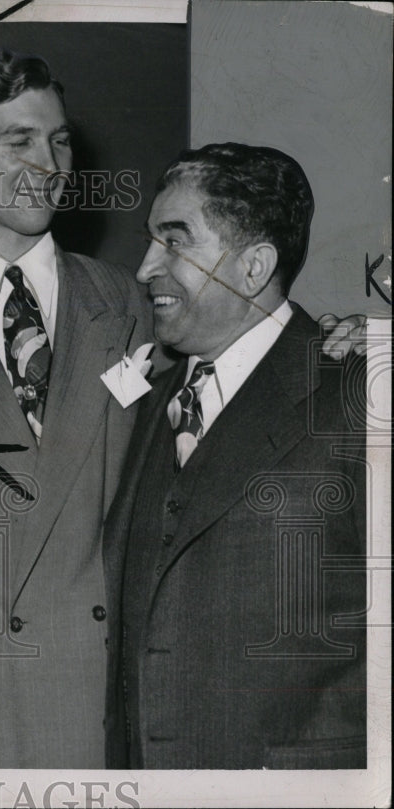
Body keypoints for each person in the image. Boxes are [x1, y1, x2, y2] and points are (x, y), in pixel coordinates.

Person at [0, 48, 367, 770]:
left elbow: (252, 349)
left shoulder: (140, 305)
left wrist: (351, 337)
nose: (48, 163)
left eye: (58, 141)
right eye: (17, 140)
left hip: (114, 718)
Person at [102, 142, 366, 769]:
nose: (144, 267)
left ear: (253, 266)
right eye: (150, 239)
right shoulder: (143, 400)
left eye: (175, 240)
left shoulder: (362, 398)